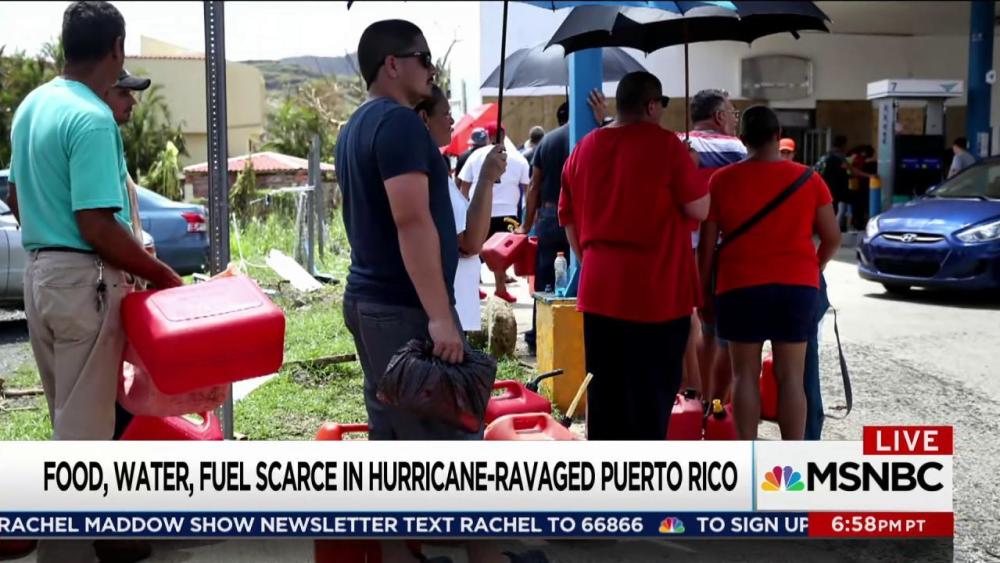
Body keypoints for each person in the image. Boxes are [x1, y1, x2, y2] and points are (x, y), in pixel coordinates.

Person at [8, 2, 181, 561]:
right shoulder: (91, 116)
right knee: (83, 446)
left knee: (69, 421)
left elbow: (15, 194)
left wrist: (50, 237)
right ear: (117, 48)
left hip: (40, 275)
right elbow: (97, 224)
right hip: (84, 279)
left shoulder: (32, 106)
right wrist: (161, 275)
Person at [559, 71, 708, 440]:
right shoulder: (667, 146)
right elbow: (700, 208)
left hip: (600, 289)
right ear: (652, 105)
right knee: (651, 397)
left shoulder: (584, 148)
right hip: (656, 292)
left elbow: (568, 217)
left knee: (605, 392)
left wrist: (589, 259)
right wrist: (690, 164)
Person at [699, 106, 841, 440]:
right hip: (796, 287)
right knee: (791, 378)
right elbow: (832, 237)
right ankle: (793, 460)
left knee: (744, 376)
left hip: (739, 286)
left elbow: (706, 247)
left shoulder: (722, 180)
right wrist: (814, 266)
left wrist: (703, 292)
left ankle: (748, 453)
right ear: (778, 136)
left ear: (742, 139)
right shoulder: (809, 179)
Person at [415, 85, 506, 332]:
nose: (452, 120)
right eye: (446, 114)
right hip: (447, 312)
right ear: (424, 118)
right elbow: (470, 243)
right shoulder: (429, 170)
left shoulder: (430, 165)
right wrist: (486, 178)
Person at [101, 67, 154, 440]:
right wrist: (157, 272)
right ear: (103, 92)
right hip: (102, 286)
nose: (132, 102)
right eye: (124, 93)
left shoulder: (110, 146)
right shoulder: (94, 133)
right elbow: (102, 225)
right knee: (106, 410)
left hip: (122, 287)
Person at [688, 89, 747, 403]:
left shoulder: (679, 144)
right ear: (719, 116)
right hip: (722, 251)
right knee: (724, 335)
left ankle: (696, 397)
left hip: (685, 249)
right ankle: (718, 405)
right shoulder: (735, 148)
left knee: (700, 327)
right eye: (733, 113)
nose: (735, 120)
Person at [457, 123, 531, 303]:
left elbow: (464, 186)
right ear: (504, 135)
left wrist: (464, 210)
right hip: (508, 213)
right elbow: (527, 188)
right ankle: (500, 289)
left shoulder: (476, 156)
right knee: (502, 253)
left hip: (481, 212)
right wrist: (527, 215)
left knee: (474, 252)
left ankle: (474, 287)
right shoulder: (517, 157)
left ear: (487, 137)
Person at [518, 102, 570, 353]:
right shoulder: (589, 136)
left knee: (545, 279)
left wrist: (526, 225)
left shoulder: (547, 141)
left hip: (549, 215)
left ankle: (537, 336)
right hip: (579, 217)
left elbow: (533, 185)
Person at [816, 135, 851, 232]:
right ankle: (832, 230)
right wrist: (868, 175)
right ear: (843, 145)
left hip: (824, 186)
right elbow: (849, 169)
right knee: (837, 209)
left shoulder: (825, 155)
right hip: (836, 188)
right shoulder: (839, 156)